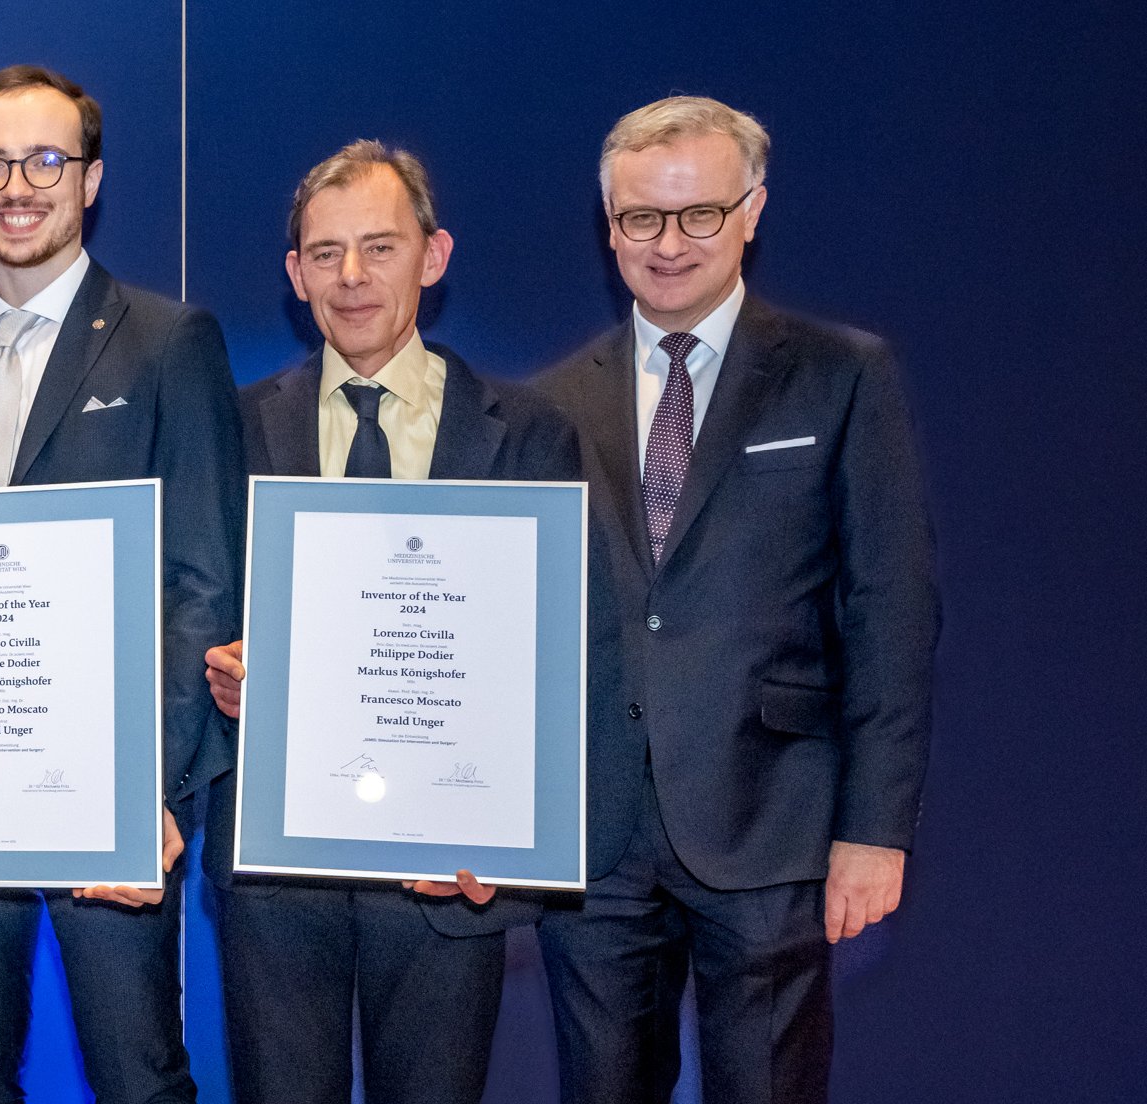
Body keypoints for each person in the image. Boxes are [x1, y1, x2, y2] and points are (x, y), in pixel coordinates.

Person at [530, 95, 937, 1104]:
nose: (668, 244)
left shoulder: (841, 376)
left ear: (751, 210)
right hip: (594, 841)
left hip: (771, 820)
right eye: (640, 218)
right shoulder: (548, 404)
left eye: (699, 213)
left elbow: (890, 609)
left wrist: (874, 829)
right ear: (608, 224)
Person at [0, 64, 241, 1104]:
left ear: (90, 178)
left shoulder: (169, 342)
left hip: (108, 785)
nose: (16, 187)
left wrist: (152, 788)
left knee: (137, 1075)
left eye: (43, 160)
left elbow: (202, 579)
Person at [196, 140, 579, 1104]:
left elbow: (563, 656)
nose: (352, 277)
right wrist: (224, 673)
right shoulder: (228, 428)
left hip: (448, 872)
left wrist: (517, 846)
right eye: (325, 254)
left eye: (379, 246)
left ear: (432, 256)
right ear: (295, 276)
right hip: (275, 875)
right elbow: (193, 604)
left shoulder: (528, 436)